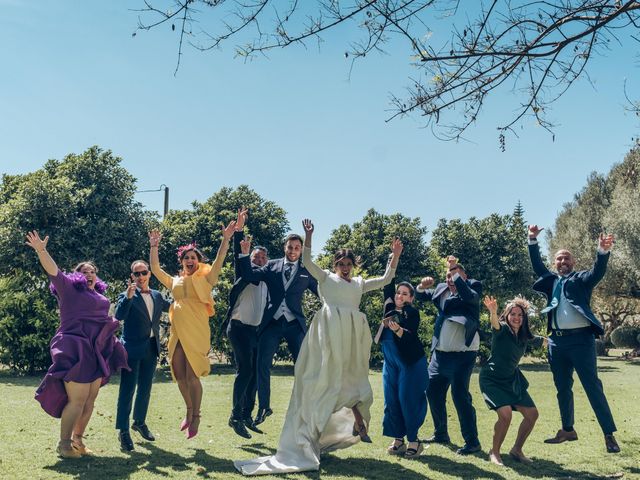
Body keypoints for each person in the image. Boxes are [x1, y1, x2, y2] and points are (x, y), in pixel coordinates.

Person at [234, 220, 403, 475]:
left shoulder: (358, 283)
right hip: (329, 336)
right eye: (341, 264)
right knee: (324, 382)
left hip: (351, 338)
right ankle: (303, 428)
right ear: (335, 265)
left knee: (352, 380)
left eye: (348, 265)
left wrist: (395, 257)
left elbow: (386, 279)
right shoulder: (325, 278)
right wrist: (308, 236)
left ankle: (357, 419)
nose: (345, 268)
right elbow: (309, 262)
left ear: (353, 266)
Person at [25, 230, 129, 459]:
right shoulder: (69, 289)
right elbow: (52, 270)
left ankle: (78, 441)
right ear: (77, 276)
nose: (89, 274)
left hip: (96, 350)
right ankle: (63, 445)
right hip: (75, 347)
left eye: (92, 271)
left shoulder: (100, 297)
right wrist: (42, 250)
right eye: (84, 271)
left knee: (90, 400)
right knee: (77, 399)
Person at [528, 225, 620, 453]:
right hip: (556, 343)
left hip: (581, 341)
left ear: (573, 262)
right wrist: (532, 240)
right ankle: (567, 429)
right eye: (559, 259)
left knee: (592, 387)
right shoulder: (551, 280)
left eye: (567, 258)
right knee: (562, 388)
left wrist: (602, 251)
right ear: (555, 263)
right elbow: (537, 266)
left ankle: (608, 435)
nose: (563, 261)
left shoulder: (581, 279)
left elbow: (598, 271)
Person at [148, 219, 236, 439]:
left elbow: (219, 259)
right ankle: (188, 411)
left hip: (197, 330)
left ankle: (196, 415)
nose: (189, 260)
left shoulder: (207, 279)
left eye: (193, 257)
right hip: (178, 331)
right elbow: (156, 270)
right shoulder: (175, 281)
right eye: (186, 257)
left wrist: (226, 239)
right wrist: (154, 247)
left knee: (192, 374)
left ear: (198, 261)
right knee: (178, 372)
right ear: (182, 261)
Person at [236, 228, 319, 427]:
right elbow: (248, 273)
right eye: (290, 247)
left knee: (303, 366)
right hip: (272, 323)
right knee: (261, 365)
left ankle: (305, 406)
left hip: (294, 325)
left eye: (297, 248)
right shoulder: (271, 266)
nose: (293, 250)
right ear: (285, 247)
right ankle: (264, 406)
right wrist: (245, 254)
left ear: (301, 250)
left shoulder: (306, 271)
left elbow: (322, 293)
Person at [415, 256, 482, 455]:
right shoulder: (441, 289)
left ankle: (472, 442)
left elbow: (468, 296)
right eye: (448, 276)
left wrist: (453, 270)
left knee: (460, 397)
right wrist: (420, 286)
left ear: (464, 276)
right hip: (439, 355)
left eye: (455, 275)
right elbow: (419, 296)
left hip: (463, 355)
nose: (451, 279)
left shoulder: (472, 288)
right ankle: (441, 433)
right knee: (432, 392)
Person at [114, 260, 171, 451]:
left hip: (151, 348)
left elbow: (175, 306)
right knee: (127, 390)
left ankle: (139, 422)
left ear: (149, 274)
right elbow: (119, 316)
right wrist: (129, 297)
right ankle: (123, 431)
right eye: (136, 274)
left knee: (145, 389)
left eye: (143, 272)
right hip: (131, 349)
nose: (140, 276)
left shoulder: (156, 295)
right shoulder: (125, 294)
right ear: (132, 276)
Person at [224, 208, 269, 439]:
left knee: (255, 373)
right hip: (239, 328)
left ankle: (247, 414)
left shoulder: (268, 280)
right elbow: (237, 257)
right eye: (255, 257)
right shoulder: (244, 273)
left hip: (257, 332)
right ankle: (235, 416)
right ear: (249, 259)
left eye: (262, 258)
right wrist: (239, 230)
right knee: (246, 370)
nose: (259, 260)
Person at [480, 295, 538, 466]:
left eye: (520, 315)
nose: (516, 318)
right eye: (513, 314)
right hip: (492, 379)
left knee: (532, 414)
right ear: (507, 315)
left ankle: (517, 450)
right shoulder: (502, 329)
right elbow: (495, 324)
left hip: (512, 380)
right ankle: (495, 452)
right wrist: (492, 312)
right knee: (505, 415)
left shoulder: (524, 335)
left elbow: (540, 341)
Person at [376, 277, 428, 458]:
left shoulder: (411, 312)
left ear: (411, 298)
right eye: (399, 292)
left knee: (408, 399)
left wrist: (398, 329)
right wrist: (394, 258)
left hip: (411, 363)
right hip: (390, 363)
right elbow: (388, 283)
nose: (400, 295)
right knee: (391, 399)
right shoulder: (389, 308)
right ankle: (399, 440)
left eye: (405, 294)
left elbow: (410, 337)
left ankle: (415, 441)